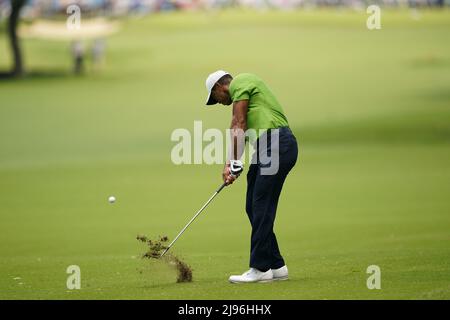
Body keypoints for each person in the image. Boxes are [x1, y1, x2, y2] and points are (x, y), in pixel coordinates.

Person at [204, 70, 299, 283]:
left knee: (261, 204)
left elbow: (238, 123)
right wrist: (231, 164)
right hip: (267, 148)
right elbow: (239, 130)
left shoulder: (242, 81)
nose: (218, 103)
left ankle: (260, 268)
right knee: (253, 206)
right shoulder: (244, 99)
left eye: (215, 98)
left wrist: (235, 162)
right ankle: (276, 264)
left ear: (220, 87)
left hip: (277, 144)